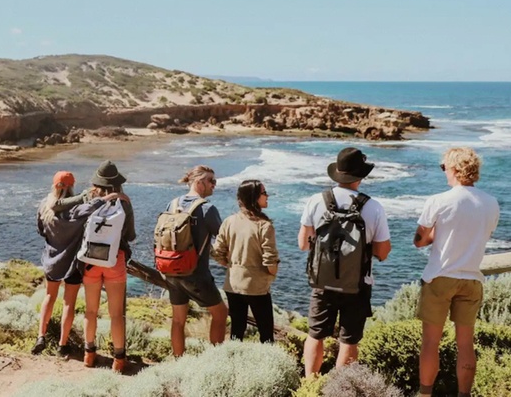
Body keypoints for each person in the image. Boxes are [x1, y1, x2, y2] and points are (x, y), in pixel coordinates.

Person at [297, 147, 391, 377]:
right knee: (349, 340)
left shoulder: (316, 200)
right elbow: (382, 252)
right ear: (360, 176)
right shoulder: (373, 207)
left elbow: (303, 244)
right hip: (357, 285)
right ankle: (340, 388)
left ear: (338, 173)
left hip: (322, 280)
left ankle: (310, 384)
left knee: (315, 334)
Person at [413, 148, 499, 397]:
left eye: (444, 168)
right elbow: (483, 234)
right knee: (465, 343)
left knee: (431, 342)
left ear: (454, 169)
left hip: (440, 276)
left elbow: (419, 240)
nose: (444, 172)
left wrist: (438, 233)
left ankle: (425, 394)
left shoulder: (439, 201)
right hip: (472, 278)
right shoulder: (491, 203)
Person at [76, 160, 135, 373]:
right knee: (116, 314)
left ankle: (89, 354)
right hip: (114, 260)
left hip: (91, 261)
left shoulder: (89, 199)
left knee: (91, 311)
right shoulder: (124, 203)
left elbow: (76, 219)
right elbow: (130, 235)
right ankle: (118, 360)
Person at [164, 165, 228, 356]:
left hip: (171, 270)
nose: (214, 185)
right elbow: (224, 239)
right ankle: (214, 361)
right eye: (211, 181)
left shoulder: (172, 204)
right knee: (220, 313)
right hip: (196, 274)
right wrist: (226, 261)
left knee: (178, 320)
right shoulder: (207, 209)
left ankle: (179, 361)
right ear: (199, 182)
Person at [213, 179, 280, 343]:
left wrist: (232, 265)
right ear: (254, 197)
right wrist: (272, 275)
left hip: (233, 284)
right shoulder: (264, 226)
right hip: (257, 288)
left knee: (236, 332)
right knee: (266, 335)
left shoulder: (229, 221)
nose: (267, 196)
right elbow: (270, 262)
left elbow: (217, 253)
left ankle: (233, 358)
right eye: (264, 193)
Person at [32, 170, 88, 356]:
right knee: (68, 303)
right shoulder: (77, 209)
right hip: (73, 262)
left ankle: (41, 337)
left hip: (52, 260)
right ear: (72, 186)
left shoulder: (44, 205)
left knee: (49, 296)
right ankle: (62, 345)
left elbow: (41, 230)